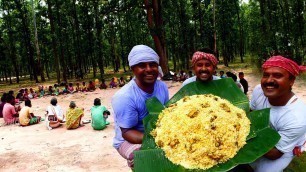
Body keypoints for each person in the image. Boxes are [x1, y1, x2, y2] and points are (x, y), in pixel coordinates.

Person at [112, 45, 169, 168]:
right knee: (142, 158)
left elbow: (166, 115)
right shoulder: (125, 96)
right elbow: (126, 132)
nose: (149, 69)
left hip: (156, 134)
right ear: (133, 69)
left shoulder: (162, 87)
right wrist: (156, 139)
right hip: (128, 139)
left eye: (152, 65)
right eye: (142, 65)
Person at [249, 55, 306, 172]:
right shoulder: (259, 91)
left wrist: (242, 136)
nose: (269, 80)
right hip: (262, 133)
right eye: (266, 75)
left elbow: (275, 153)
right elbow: (251, 113)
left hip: (283, 147)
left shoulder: (297, 118)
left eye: (278, 76)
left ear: (291, 81)